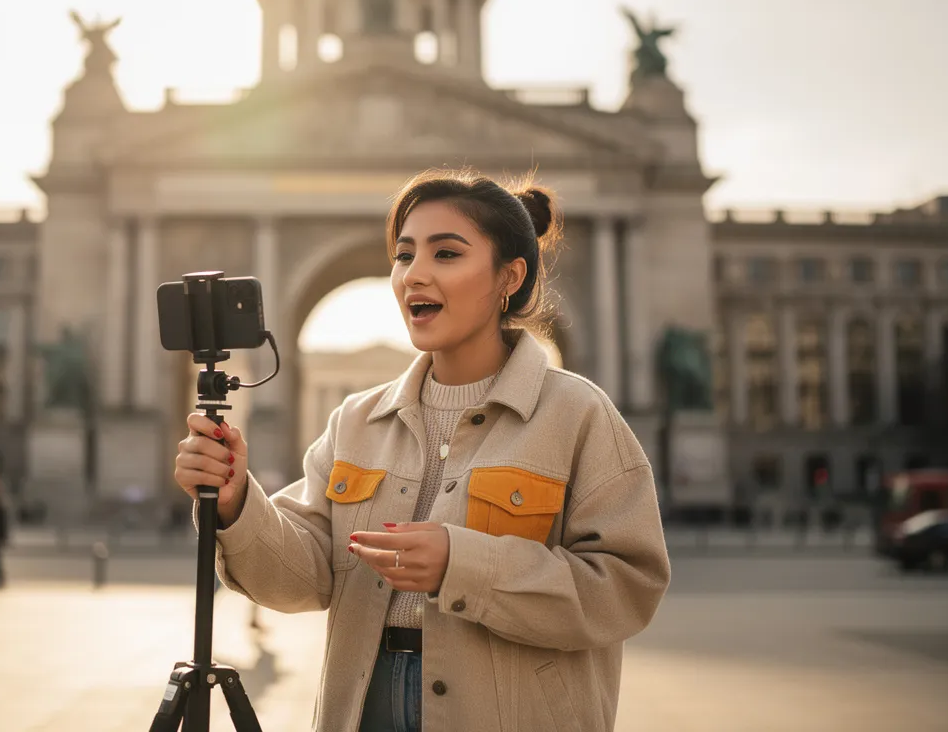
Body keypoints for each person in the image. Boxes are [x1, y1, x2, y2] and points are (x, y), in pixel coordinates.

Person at [173, 170, 672, 732]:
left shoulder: (578, 415)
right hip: (366, 706)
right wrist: (239, 501)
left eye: (447, 254)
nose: (416, 275)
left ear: (510, 276)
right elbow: (303, 578)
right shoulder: (357, 421)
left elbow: (628, 588)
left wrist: (464, 566)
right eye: (404, 255)